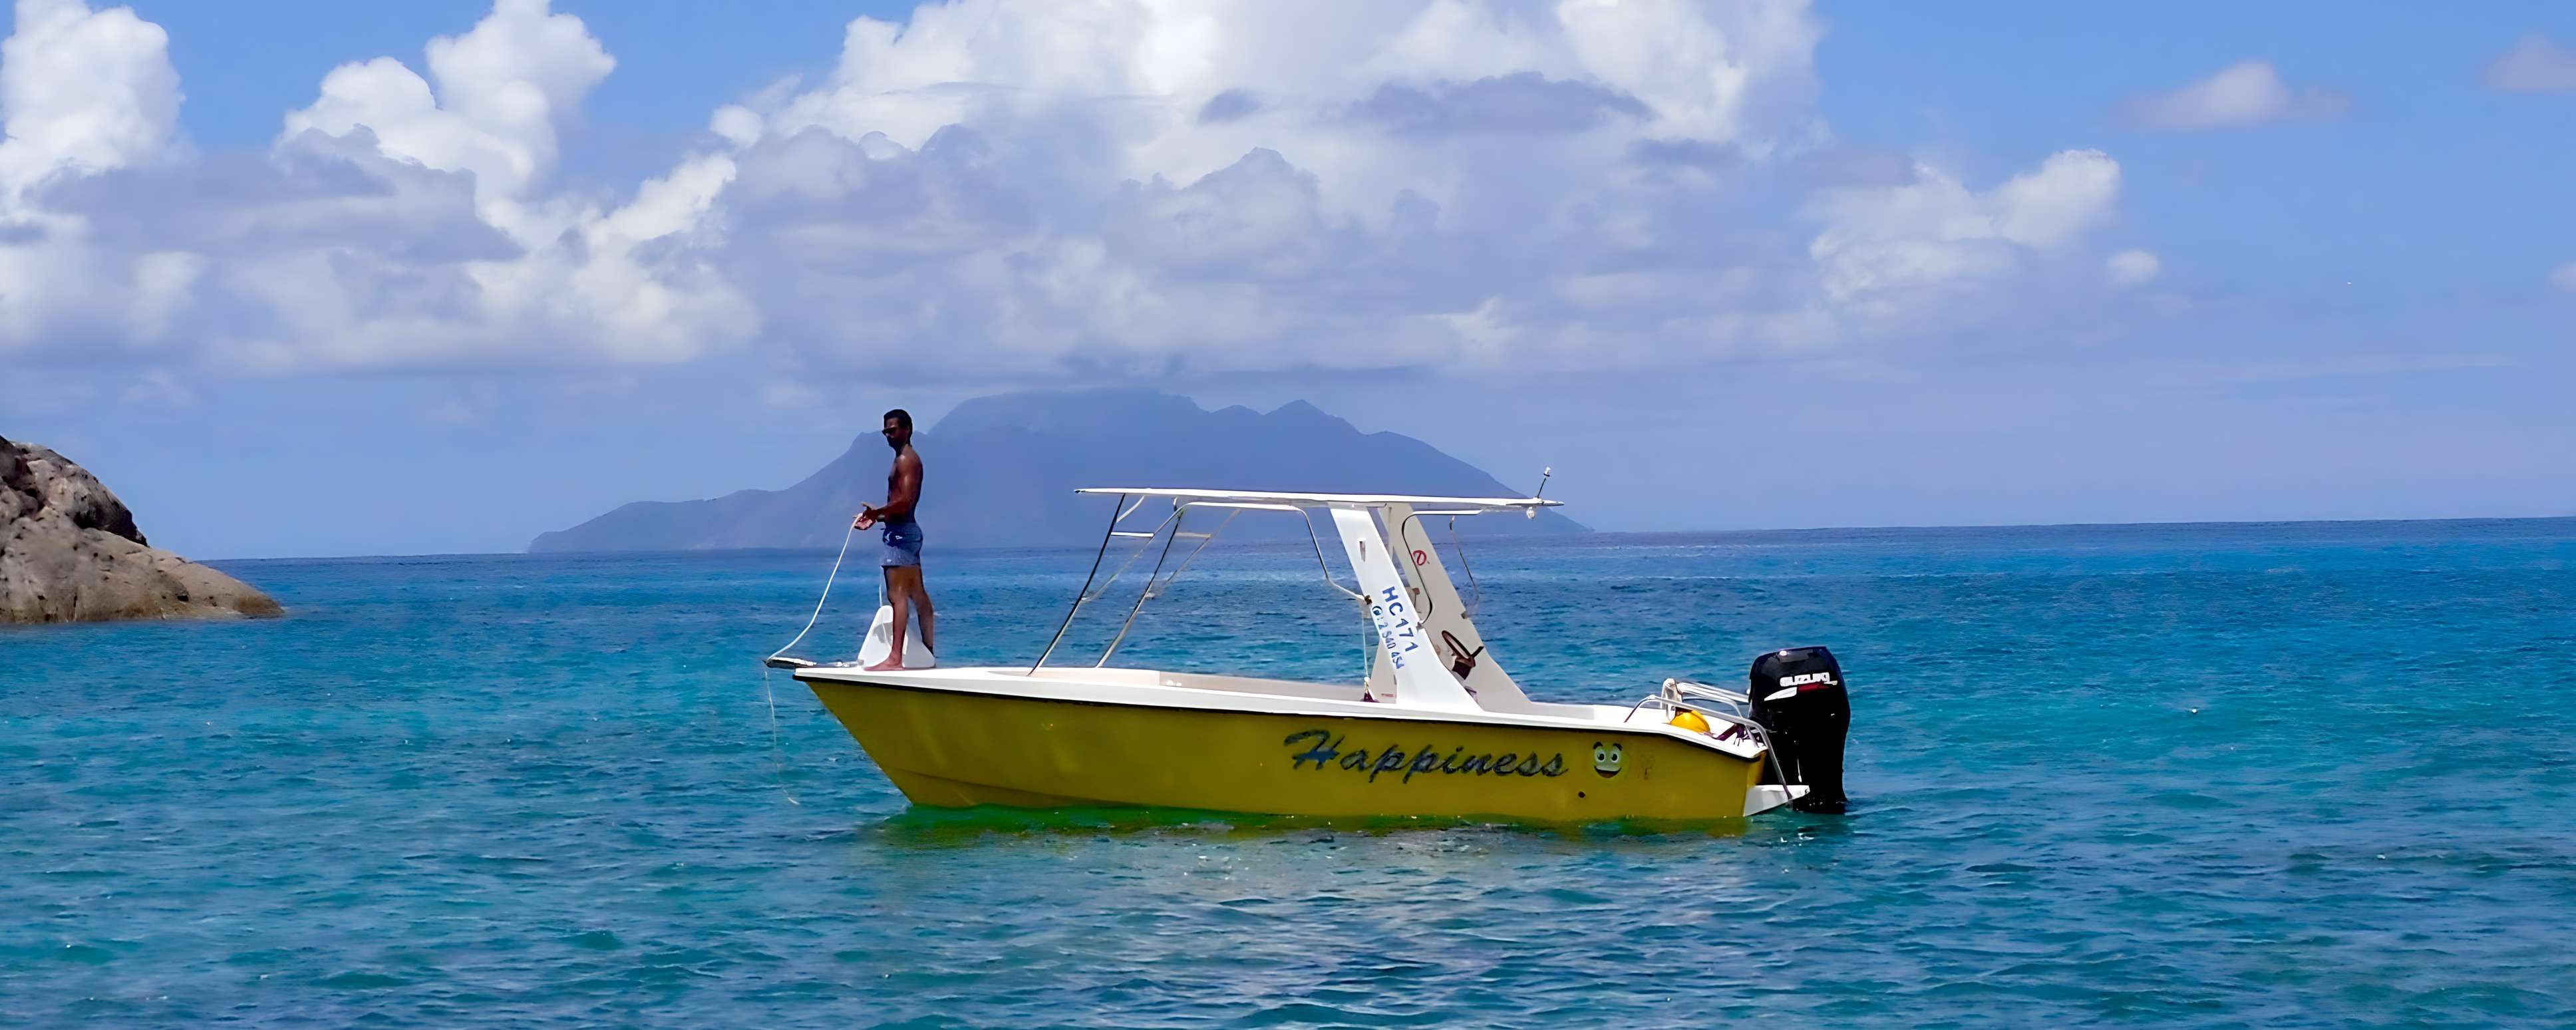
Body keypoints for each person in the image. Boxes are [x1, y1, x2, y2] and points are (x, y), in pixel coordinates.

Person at [852, 408, 933, 669]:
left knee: (897, 595)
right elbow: (901, 507)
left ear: (907, 429)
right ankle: (929, 653)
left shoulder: (906, 460)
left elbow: (905, 501)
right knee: (916, 594)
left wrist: (878, 512)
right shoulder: (905, 458)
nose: (888, 435)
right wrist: (877, 518)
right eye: (885, 431)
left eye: (893, 429)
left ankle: (895, 658)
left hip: (900, 536)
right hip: (905, 531)